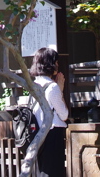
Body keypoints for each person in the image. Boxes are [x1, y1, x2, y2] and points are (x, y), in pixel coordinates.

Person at [30, 47, 69, 177]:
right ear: (51, 64)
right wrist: (60, 89)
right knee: (54, 172)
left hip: (37, 135)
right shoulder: (52, 87)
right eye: (56, 62)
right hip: (52, 134)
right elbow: (64, 115)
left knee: (42, 172)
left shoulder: (33, 85)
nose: (57, 65)